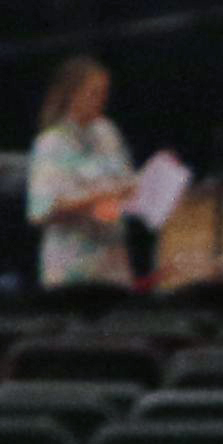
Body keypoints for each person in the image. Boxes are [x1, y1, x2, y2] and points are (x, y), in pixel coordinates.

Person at [28, 54, 135, 288]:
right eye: (94, 93)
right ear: (72, 95)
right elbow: (40, 211)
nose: (102, 99)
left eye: (104, 92)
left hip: (112, 268)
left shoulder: (108, 132)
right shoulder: (52, 143)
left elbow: (126, 183)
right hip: (72, 270)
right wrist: (97, 198)